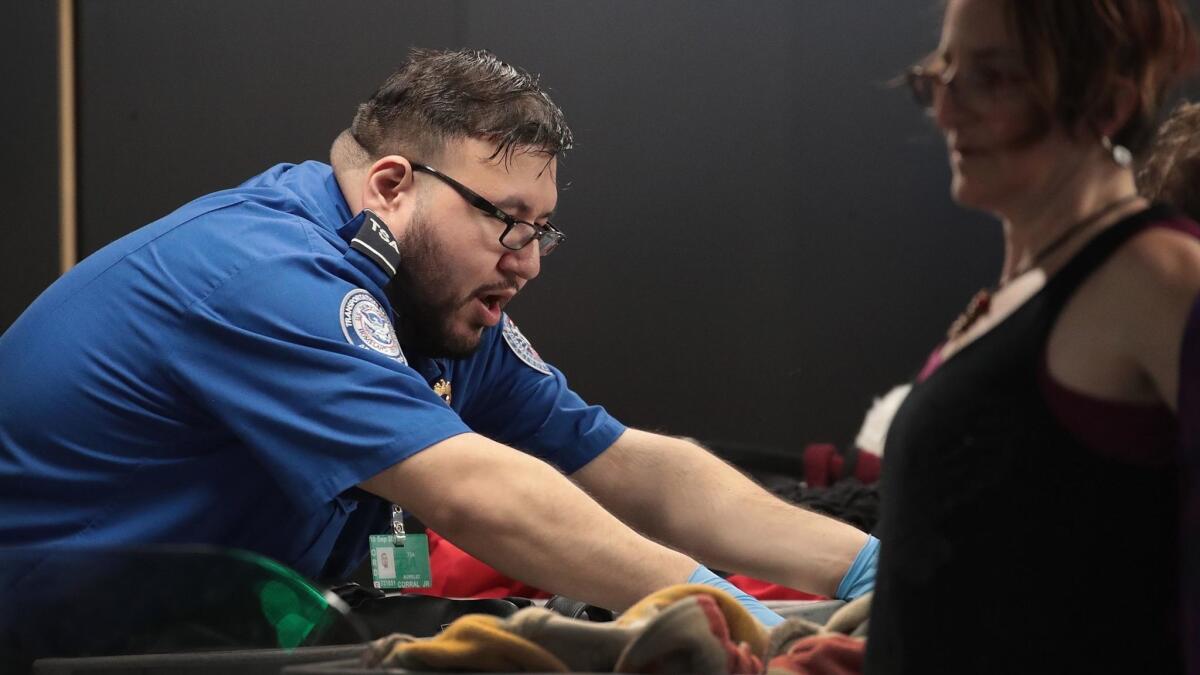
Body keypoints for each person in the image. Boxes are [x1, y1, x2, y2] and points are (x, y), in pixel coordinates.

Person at [0, 48, 877, 626]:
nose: (526, 262)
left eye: (543, 230)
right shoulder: (265, 273)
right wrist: (730, 617)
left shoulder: (429, 300)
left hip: (192, 618)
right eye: (508, 221)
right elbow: (472, 492)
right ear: (390, 185)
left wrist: (872, 567)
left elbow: (627, 465)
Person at [866, 1, 1200, 673]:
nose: (948, 112)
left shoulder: (1158, 279)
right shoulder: (1023, 287)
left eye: (992, 78)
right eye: (943, 74)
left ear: (1106, 103)